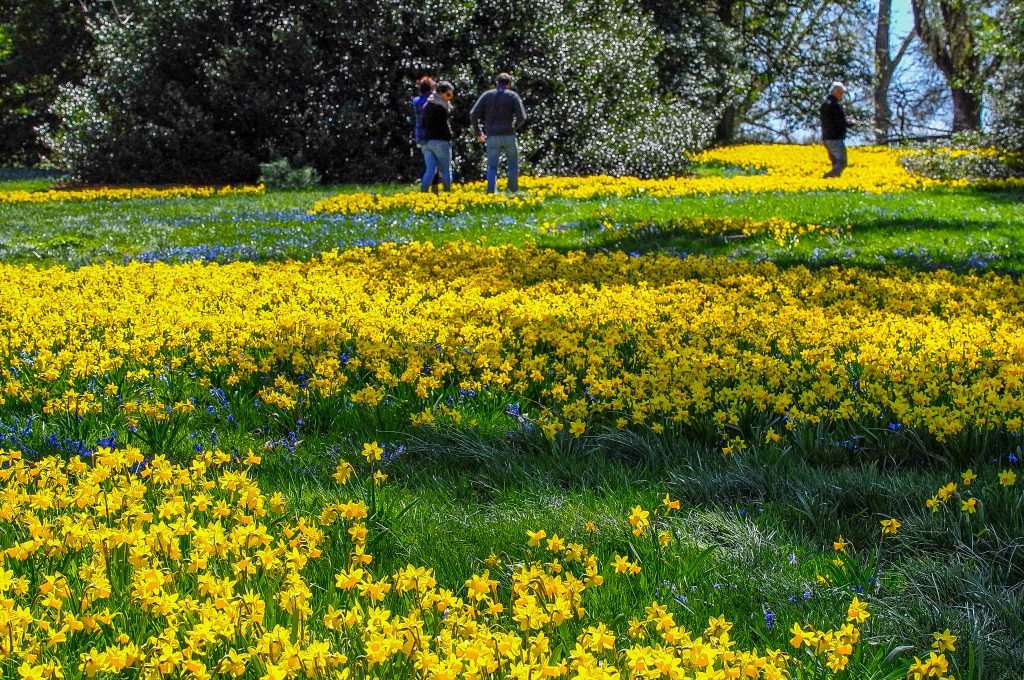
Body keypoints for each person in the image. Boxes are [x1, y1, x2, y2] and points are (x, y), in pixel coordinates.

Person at [470, 73, 527, 194]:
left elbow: (473, 114)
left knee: (492, 167)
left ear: (496, 83)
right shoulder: (512, 96)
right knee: (512, 165)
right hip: (509, 134)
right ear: (509, 84)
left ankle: (491, 192)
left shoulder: (487, 95)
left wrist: (478, 132)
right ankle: (512, 191)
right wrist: (514, 126)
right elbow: (522, 117)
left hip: (492, 135)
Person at [420, 81, 455, 192]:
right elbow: (444, 126)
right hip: (440, 141)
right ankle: (447, 195)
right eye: (448, 95)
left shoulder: (427, 104)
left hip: (426, 142)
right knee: (445, 170)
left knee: (430, 170)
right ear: (440, 93)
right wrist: (450, 136)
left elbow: (423, 124)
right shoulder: (441, 107)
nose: (450, 98)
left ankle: (423, 193)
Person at [411, 76, 440, 193]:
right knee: (434, 167)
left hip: (420, 137)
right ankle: (432, 191)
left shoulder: (416, 101)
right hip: (433, 136)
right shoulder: (432, 101)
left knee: (430, 165)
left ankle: (430, 190)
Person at [820, 81, 849, 178]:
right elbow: (839, 121)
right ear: (836, 92)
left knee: (835, 163)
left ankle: (834, 183)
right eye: (841, 93)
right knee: (842, 162)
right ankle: (827, 177)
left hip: (826, 138)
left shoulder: (825, 104)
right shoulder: (834, 105)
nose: (842, 95)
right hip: (835, 139)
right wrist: (850, 122)